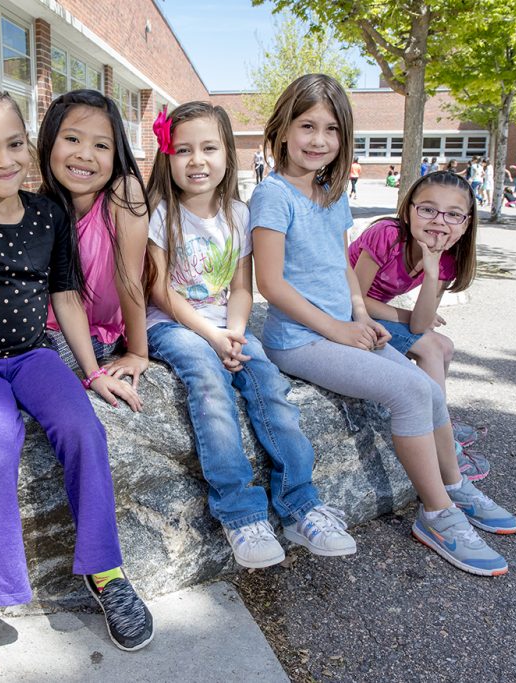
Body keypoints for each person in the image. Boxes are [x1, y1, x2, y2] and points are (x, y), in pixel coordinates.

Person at [0, 85, 153, 682]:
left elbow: (65, 296)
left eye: (15, 144)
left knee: (83, 430)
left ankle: (105, 572)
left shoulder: (47, 214)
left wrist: (93, 372)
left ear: (29, 144)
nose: (6, 160)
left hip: (33, 356)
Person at [250, 74, 516, 577]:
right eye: (307, 126)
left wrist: (358, 314)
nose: (319, 140)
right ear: (284, 127)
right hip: (300, 340)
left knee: (429, 389)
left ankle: (454, 483)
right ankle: (437, 515)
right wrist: (337, 330)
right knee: (412, 393)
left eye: (331, 130)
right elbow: (270, 284)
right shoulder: (273, 195)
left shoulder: (331, 194)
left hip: (342, 328)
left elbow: (342, 267)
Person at [144, 100, 355, 568]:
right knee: (209, 383)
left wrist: (235, 333)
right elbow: (160, 291)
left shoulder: (239, 214)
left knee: (269, 388)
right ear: (167, 157)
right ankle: (240, 514)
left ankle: (301, 505)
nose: (197, 160)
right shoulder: (161, 214)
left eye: (209, 148)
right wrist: (213, 337)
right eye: (183, 150)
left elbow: (243, 288)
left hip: (229, 324)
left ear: (227, 154)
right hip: (174, 325)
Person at [350, 170, 489, 481]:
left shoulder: (447, 259)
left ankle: (438, 423)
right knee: (429, 346)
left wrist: (430, 270)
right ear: (409, 210)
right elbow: (353, 297)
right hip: (343, 306)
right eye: (428, 209)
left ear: (466, 224)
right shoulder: (386, 234)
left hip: (377, 311)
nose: (439, 221)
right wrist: (407, 318)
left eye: (453, 215)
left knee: (445, 346)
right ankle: (444, 447)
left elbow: (422, 321)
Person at [38, 89, 150, 412]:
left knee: (30, 360)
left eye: (101, 145)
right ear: (49, 143)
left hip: (91, 335)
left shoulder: (121, 194)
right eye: (72, 139)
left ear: (116, 155)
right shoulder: (40, 208)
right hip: (43, 326)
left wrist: (138, 352)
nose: (85, 154)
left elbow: (130, 279)